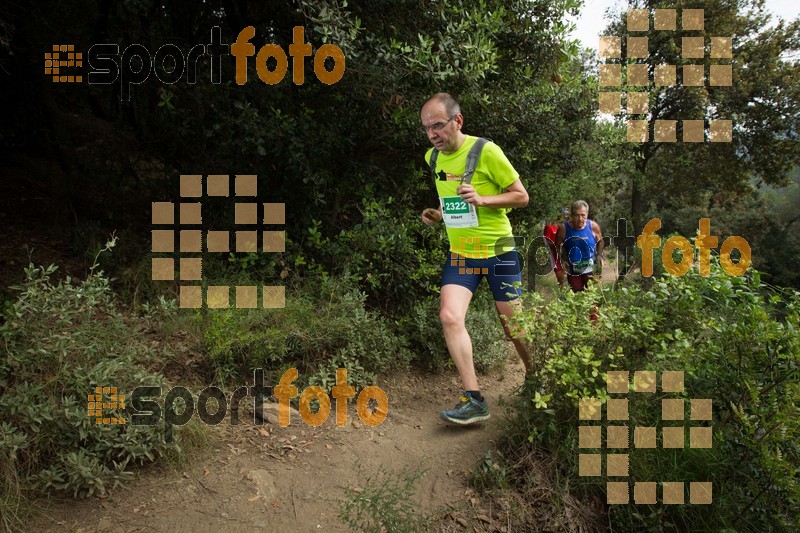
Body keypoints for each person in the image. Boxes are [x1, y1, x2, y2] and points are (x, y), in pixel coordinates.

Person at [419, 93, 532, 425]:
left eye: (437, 126)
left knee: (514, 327)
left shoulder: (487, 151)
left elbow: (521, 197)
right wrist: (438, 214)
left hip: (499, 252)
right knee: (450, 316)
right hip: (462, 254)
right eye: (426, 128)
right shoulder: (433, 158)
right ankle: (474, 398)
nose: (432, 135)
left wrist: (482, 199)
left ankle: (535, 373)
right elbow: (452, 201)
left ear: (458, 121)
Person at [555, 200, 605, 292]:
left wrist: (599, 255)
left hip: (592, 266)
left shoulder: (593, 226)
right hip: (573, 268)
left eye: (583, 215)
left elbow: (601, 242)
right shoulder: (564, 228)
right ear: (572, 215)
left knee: (594, 296)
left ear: (587, 214)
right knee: (577, 296)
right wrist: (562, 261)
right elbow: (557, 246)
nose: (580, 219)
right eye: (577, 215)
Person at [543, 208, 569, 288]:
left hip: (565, 254)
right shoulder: (550, 227)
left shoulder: (567, 227)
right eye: (563, 214)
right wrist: (557, 245)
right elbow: (546, 241)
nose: (565, 217)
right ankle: (562, 291)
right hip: (554, 254)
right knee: (560, 275)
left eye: (566, 215)